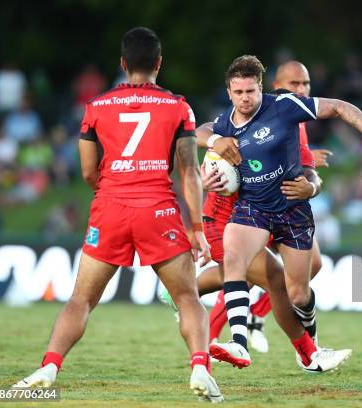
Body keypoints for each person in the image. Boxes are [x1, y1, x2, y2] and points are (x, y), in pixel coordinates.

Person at [13, 27, 223, 402]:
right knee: (188, 297)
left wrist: (113, 191)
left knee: (81, 300)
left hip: (109, 207)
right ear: (159, 63)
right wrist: (196, 228)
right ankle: (199, 368)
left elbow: (87, 172)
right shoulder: (179, 107)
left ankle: (49, 365)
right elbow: (189, 171)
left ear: (123, 64)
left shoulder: (95, 106)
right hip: (158, 210)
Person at [199, 54, 362, 370]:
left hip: (292, 211)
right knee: (234, 259)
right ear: (229, 92)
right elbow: (200, 131)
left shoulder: (285, 107)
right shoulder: (225, 124)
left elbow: (340, 107)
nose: (245, 99)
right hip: (254, 209)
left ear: (262, 88)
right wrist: (216, 141)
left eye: (250, 91)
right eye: (238, 93)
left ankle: (311, 346)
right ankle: (238, 342)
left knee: (299, 293)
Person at [192, 60, 329, 352]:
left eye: (306, 84)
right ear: (276, 89)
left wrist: (312, 185)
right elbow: (202, 138)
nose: (302, 90)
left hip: (277, 208)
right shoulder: (238, 117)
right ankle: (209, 322)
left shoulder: (293, 118)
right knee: (249, 272)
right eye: (295, 85)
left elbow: (306, 167)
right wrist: (206, 175)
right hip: (230, 211)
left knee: (306, 268)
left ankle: (198, 301)